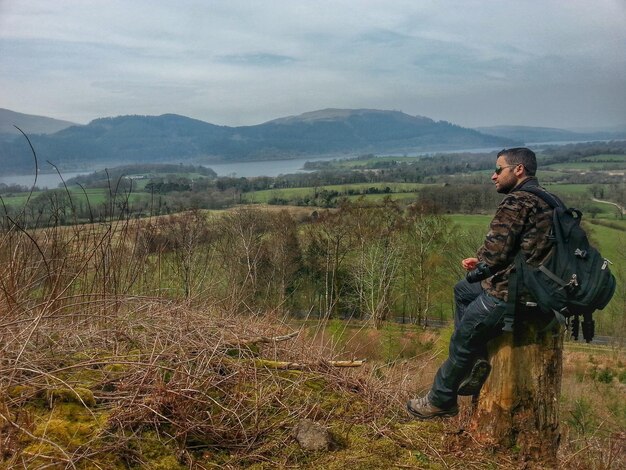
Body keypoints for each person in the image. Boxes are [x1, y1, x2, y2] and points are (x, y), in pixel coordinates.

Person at [407, 147, 555, 419]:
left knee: (462, 338)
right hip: (539, 288)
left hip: (512, 294)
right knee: (463, 290)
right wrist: (482, 265)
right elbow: (528, 248)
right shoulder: (548, 199)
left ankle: (441, 400)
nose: (493, 176)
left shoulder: (517, 202)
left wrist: (480, 268)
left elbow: (495, 252)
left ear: (518, 169)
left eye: (499, 170)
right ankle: (476, 360)